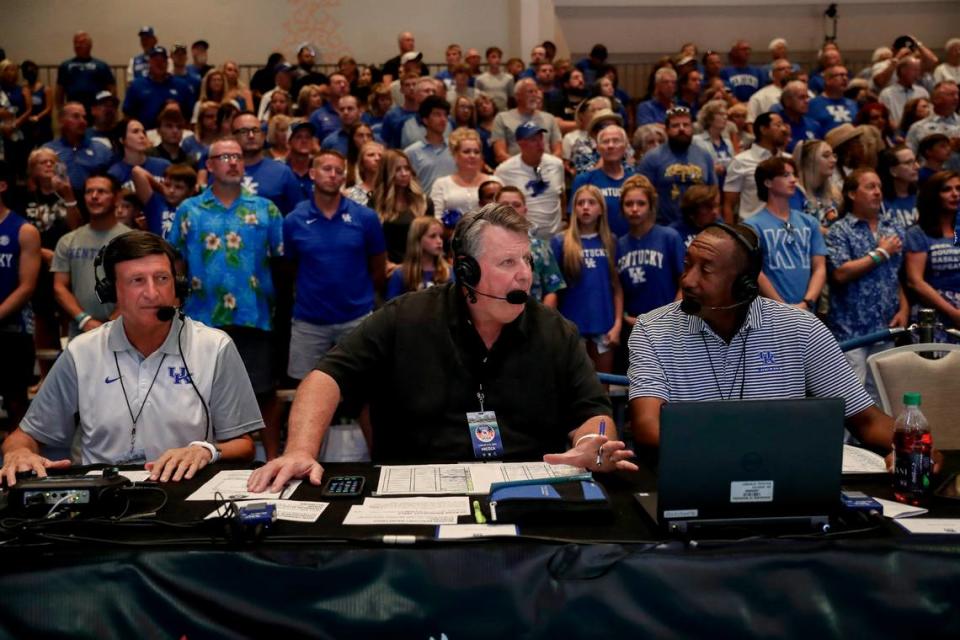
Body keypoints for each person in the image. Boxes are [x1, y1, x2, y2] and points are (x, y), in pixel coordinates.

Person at [247, 204, 637, 492]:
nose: (525, 274)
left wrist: (590, 444)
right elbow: (326, 377)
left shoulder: (556, 330)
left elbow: (593, 409)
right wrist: (299, 449)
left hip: (527, 492)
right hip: (415, 490)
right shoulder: (406, 318)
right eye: (507, 262)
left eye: (527, 260)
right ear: (465, 271)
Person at [1, 230, 262, 483]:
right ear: (112, 292)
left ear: (177, 286)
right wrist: (18, 453)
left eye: (162, 279)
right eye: (137, 281)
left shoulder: (213, 347)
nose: (153, 293)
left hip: (183, 491)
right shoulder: (82, 352)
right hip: (104, 500)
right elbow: (24, 436)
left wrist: (205, 450)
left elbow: (243, 445)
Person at [626, 221, 894, 451]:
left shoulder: (799, 329)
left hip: (783, 484)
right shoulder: (653, 329)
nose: (688, 280)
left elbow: (867, 421)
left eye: (706, 270)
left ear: (744, 285)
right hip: (694, 480)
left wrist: (914, 444)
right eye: (688, 265)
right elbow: (649, 429)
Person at [168, 137, 285, 459]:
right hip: (203, 318)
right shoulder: (189, 210)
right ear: (209, 165)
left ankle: (274, 459)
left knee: (264, 391)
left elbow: (281, 260)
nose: (233, 161)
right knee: (206, 392)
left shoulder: (266, 209)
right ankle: (209, 457)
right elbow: (175, 260)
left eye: (237, 156)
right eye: (224, 156)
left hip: (255, 314)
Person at [283, 148, 385, 381]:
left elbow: (378, 268)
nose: (333, 175)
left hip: (357, 318)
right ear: (312, 173)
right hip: (309, 321)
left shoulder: (365, 217)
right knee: (304, 388)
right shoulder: (293, 221)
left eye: (339, 171)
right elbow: (288, 268)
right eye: (326, 169)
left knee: (367, 388)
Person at [826, 169, 908, 401]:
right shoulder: (839, 230)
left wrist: (903, 308)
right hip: (850, 329)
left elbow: (894, 275)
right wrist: (881, 252)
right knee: (850, 399)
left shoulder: (892, 228)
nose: (877, 192)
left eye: (879, 187)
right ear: (852, 193)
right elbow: (840, 273)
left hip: (885, 326)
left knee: (883, 397)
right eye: (870, 187)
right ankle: (843, 440)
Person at [551, 185, 623, 375]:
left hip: (605, 326)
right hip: (572, 328)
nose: (585, 207)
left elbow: (617, 288)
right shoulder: (561, 242)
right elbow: (554, 290)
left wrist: (617, 325)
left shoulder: (611, 241)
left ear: (601, 209)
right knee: (576, 389)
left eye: (591, 203)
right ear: (573, 209)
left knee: (604, 387)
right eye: (580, 203)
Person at [52, 173, 131, 337]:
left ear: (116, 198)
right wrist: (85, 320)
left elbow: (139, 287)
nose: (94, 197)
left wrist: (112, 321)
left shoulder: (133, 240)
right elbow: (59, 287)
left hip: (124, 328)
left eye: (101, 191)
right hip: (80, 328)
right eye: (89, 192)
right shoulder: (68, 240)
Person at [743, 157, 827, 309]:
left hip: (808, 311)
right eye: (786, 175)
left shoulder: (809, 222)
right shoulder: (752, 226)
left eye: (794, 174)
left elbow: (820, 267)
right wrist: (784, 308)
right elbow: (756, 272)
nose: (794, 180)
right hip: (772, 314)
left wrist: (807, 302)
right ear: (767, 182)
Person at [0, 160, 41, 429]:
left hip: (12, 331)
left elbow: (27, 286)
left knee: (16, 402)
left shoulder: (23, 230)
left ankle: (20, 459)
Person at [616, 174, 685, 326]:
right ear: (622, 208)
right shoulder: (618, 245)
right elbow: (617, 289)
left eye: (641, 203)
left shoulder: (669, 237)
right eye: (629, 204)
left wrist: (671, 317)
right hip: (633, 325)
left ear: (651, 206)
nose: (634, 209)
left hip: (668, 325)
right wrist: (624, 318)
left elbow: (685, 283)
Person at [638, 106, 717, 225]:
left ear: (692, 128)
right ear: (667, 130)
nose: (681, 129)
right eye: (675, 125)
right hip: (664, 226)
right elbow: (642, 195)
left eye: (686, 125)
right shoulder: (651, 158)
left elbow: (714, 192)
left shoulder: (704, 156)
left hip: (699, 227)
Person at [904, 171, 960, 333]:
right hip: (934, 316)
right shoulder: (918, 233)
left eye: (958, 188)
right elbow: (915, 282)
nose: (955, 194)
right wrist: (953, 313)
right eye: (947, 190)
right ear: (934, 195)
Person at [495, 186, 564, 307]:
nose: (510, 209)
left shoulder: (541, 247)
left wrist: (541, 323)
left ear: (525, 210)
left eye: (516, 205)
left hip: (532, 319)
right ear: (494, 209)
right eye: (504, 204)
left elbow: (552, 290)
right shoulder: (483, 247)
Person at [494, 122, 565, 240]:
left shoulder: (557, 165)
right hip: (522, 239)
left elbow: (562, 195)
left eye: (541, 138)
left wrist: (564, 220)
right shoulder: (504, 171)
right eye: (533, 140)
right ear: (521, 143)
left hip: (555, 237)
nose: (540, 144)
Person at [230, 111, 304, 214]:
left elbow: (298, 216)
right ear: (233, 137)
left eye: (255, 130)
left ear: (263, 136)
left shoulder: (282, 172)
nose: (251, 135)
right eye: (244, 131)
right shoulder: (222, 172)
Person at [370, 149, 432, 269]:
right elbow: (373, 242)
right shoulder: (376, 202)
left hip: (419, 267)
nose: (404, 173)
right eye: (397, 170)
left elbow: (431, 240)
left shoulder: (423, 202)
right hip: (389, 268)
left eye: (407, 168)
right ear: (387, 173)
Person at [724, 112, 789, 222]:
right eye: (778, 125)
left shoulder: (788, 161)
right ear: (763, 129)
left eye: (783, 125)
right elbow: (728, 205)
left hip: (786, 229)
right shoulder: (741, 161)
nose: (784, 129)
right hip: (752, 230)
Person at [569, 125, 634, 236]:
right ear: (598, 148)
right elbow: (574, 219)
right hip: (596, 247)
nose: (610, 145)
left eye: (616, 141)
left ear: (625, 147)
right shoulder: (584, 180)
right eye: (605, 142)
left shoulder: (634, 180)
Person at [43, 103, 113, 194]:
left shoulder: (101, 149)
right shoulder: (48, 150)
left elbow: (112, 183)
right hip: (58, 200)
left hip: (93, 199)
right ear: (61, 121)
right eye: (76, 116)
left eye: (84, 117)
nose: (82, 121)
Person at [430, 127, 498, 220]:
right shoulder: (441, 184)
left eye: (476, 152)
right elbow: (436, 218)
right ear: (455, 154)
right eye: (466, 152)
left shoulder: (495, 182)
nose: (472, 156)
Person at [491, 79, 563, 162]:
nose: (534, 95)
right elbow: (500, 154)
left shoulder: (549, 118)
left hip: (546, 168)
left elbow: (558, 151)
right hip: (515, 169)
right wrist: (525, 168)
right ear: (518, 96)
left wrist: (545, 166)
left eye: (536, 92)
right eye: (530, 92)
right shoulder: (502, 118)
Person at [122, 47, 192, 130]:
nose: (159, 64)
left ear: (167, 63)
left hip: (175, 134)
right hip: (146, 135)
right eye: (156, 60)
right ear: (149, 62)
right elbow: (128, 113)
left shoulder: (181, 85)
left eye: (162, 61)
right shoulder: (137, 85)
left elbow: (188, 114)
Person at [385, 216, 451, 301]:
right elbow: (391, 309)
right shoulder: (400, 275)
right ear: (417, 239)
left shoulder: (448, 272)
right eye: (432, 236)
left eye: (441, 236)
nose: (439, 241)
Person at [404, 96, 456, 194]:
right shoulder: (411, 152)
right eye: (437, 115)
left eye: (445, 115)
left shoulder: (455, 148)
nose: (443, 119)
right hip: (425, 205)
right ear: (425, 120)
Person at [131, 163, 197, 239]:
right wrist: (161, 188)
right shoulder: (155, 203)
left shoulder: (195, 211)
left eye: (178, 187)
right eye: (167, 185)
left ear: (191, 191)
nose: (171, 190)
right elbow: (137, 171)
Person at [55, 31, 116, 110]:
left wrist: (108, 107)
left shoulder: (101, 66)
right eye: (75, 43)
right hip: (74, 109)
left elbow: (111, 88)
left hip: (96, 109)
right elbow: (60, 90)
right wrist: (60, 109)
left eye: (81, 42)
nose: (78, 45)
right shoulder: (65, 66)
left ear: (90, 45)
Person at [108, 119, 171, 191]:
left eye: (144, 132)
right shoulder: (114, 174)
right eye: (135, 132)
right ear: (122, 140)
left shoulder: (164, 166)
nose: (142, 136)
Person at [792, 139, 841, 230]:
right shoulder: (793, 192)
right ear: (808, 161)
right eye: (826, 156)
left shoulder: (833, 193)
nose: (833, 160)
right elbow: (796, 227)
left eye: (834, 156)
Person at [904, 80, 960, 160]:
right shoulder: (917, 127)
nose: (956, 98)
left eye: (957, 94)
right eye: (950, 94)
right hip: (929, 171)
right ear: (936, 99)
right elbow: (909, 158)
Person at [694, 100, 737, 190]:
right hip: (707, 190)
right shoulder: (696, 141)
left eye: (726, 114)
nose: (725, 117)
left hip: (727, 190)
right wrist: (711, 170)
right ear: (709, 118)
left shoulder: (728, 142)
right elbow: (692, 168)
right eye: (721, 114)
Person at [879, 56, 930, 128]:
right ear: (903, 71)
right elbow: (884, 118)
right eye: (915, 70)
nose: (917, 74)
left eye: (918, 70)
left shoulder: (922, 92)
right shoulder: (887, 94)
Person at [809, 66, 859, 137]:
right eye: (840, 75)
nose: (845, 78)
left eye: (846, 75)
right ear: (827, 80)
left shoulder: (853, 104)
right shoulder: (813, 104)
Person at [878, 144, 920, 228]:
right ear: (893, 171)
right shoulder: (880, 203)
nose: (917, 167)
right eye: (908, 163)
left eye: (915, 161)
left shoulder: (922, 198)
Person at [476, 46, 514, 112]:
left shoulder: (509, 78)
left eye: (499, 57)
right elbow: (479, 99)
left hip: (504, 112)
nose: (497, 60)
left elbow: (511, 99)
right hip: (487, 113)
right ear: (488, 59)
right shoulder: (480, 79)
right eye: (493, 57)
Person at [345, 140, 383, 206]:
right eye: (371, 155)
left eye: (380, 155)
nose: (377, 158)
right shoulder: (349, 195)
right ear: (362, 162)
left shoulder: (394, 191)